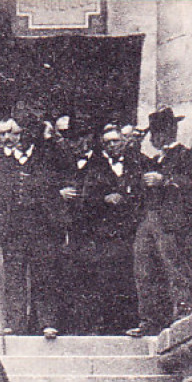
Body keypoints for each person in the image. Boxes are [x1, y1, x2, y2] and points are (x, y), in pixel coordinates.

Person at [0, 114, 73, 336]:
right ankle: (15, 324)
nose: (10, 139)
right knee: (13, 275)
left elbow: (66, 167)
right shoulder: (1, 162)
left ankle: (47, 322)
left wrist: (53, 138)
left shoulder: (45, 157)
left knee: (44, 273)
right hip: (13, 226)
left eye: (15, 134)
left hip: (42, 225)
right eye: (6, 134)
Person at [129, 107, 192, 336]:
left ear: (171, 131)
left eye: (159, 132)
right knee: (144, 270)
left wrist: (166, 180)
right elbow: (133, 169)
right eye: (153, 133)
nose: (155, 137)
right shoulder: (153, 159)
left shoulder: (185, 155)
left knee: (175, 268)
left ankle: (183, 316)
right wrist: (133, 144)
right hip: (149, 219)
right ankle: (149, 320)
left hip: (171, 222)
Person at [68, 124, 140, 335]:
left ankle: (131, 323)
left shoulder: (137, 163)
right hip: (105, 233)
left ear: (124, 142)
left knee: (131, 276)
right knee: (106, 278)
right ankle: (109, 326)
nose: (112, 145)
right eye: (107, 142)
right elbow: (84, 199)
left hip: (130, 230)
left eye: (115, 141)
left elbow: (143, 193)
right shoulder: (94, 167)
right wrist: (104, 199)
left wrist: (125, 199)